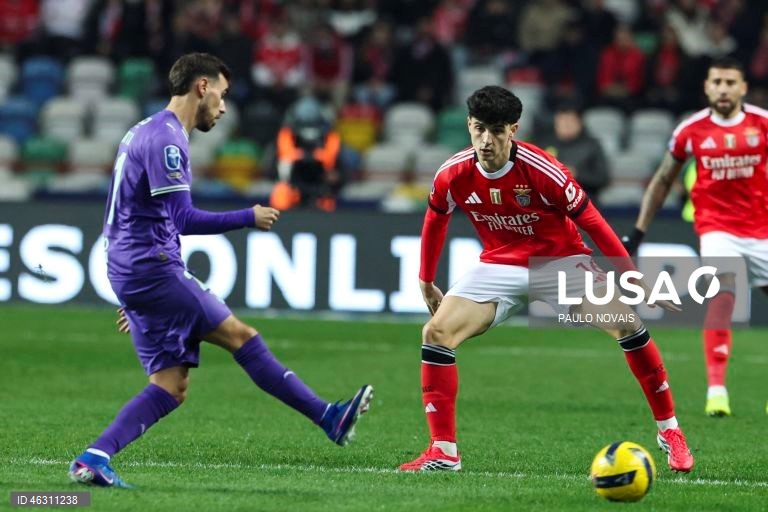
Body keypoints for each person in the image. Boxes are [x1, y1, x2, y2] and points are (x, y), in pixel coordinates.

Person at [68, 53, 373, 489]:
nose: (224, 107)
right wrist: (248, 216)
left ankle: (94, 458)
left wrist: (135, 292)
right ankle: (329, 417)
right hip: (151, 266)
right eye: (223, 95)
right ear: (201, 87)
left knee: (171, 385)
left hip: (132, 267)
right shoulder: (168, 140)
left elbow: (132, 211)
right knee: (242, 337)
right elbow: (185, 219)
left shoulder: (145, 129)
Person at [398, 85, 694, 473]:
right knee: (435, 333)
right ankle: (444, 451)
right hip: (498, 267)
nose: (486, 141)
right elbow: (436, 217)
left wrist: (632, 278)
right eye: (478, 129)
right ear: (469, 126)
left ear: (514, 129)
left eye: (497, 130)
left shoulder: (541, 169)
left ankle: (669, 430)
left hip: (559, 263)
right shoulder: (453, 172)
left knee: (626, 323)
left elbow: (592, 221)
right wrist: (425, 279)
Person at [623, 57, 768, 417]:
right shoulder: (691, 130)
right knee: (722, 294)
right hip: (716, 227)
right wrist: (638, 232)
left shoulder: (762, 124)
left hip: (762, 228)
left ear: (743, 88)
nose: (723, 88)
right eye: (716, 81)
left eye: (730, 82)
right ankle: (716, 391)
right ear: (706, 87)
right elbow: (662, 180)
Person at [542, 104, 611, 206]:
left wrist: (577, 174)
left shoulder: (592, 145)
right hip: (552, 208)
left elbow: (603, 178)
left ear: (579, 123)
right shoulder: (544, 145)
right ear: (555, 124)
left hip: (585, 206)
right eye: (562, 122)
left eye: (570, 121)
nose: (566, 125)